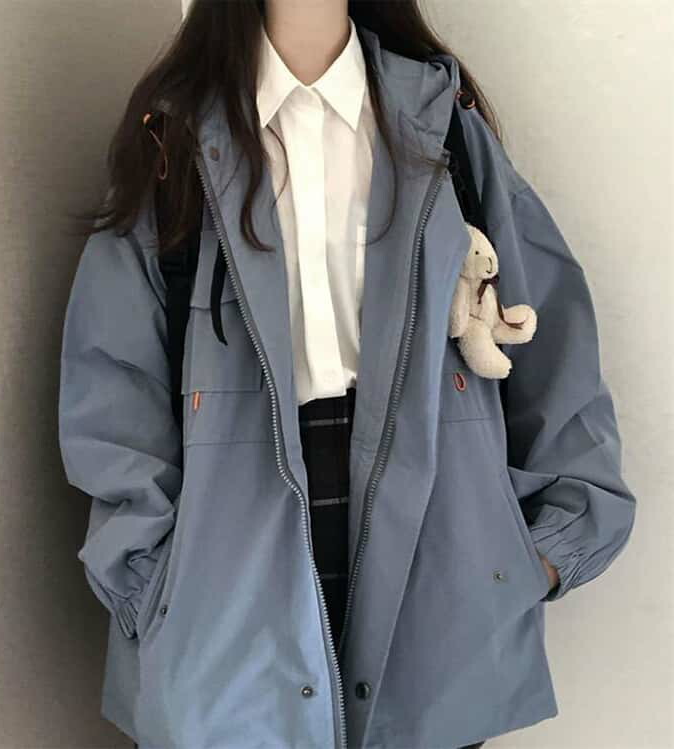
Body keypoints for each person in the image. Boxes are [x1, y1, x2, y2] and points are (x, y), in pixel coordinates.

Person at [58, 2, 636, 748]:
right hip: (225, 587)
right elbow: (114, 382)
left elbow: (549, 342)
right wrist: (153, 586)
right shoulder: (174, 141)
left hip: (437, 575)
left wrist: (543, 552)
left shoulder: (443, 125)